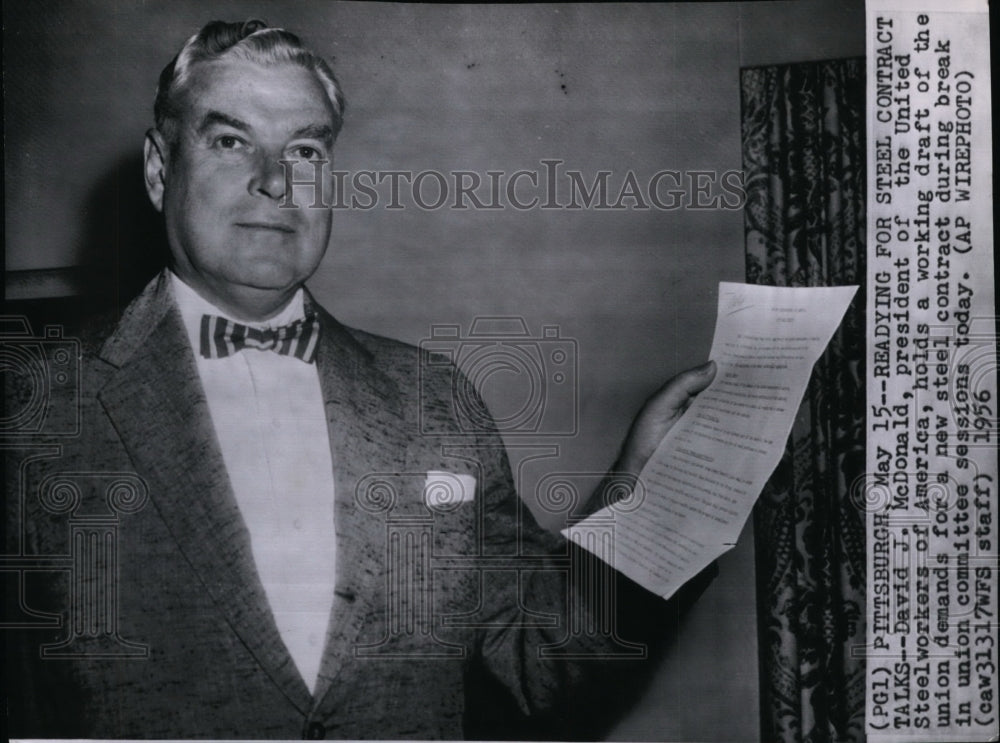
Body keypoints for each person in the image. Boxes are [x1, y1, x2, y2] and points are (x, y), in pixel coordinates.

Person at [4, 20, 717, 739]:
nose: (276, 179)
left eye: (305, 149)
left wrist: (650, 493)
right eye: (229, 141)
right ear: (161, 170)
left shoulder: (435, 399)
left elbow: (540, 660)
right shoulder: (32, 408)